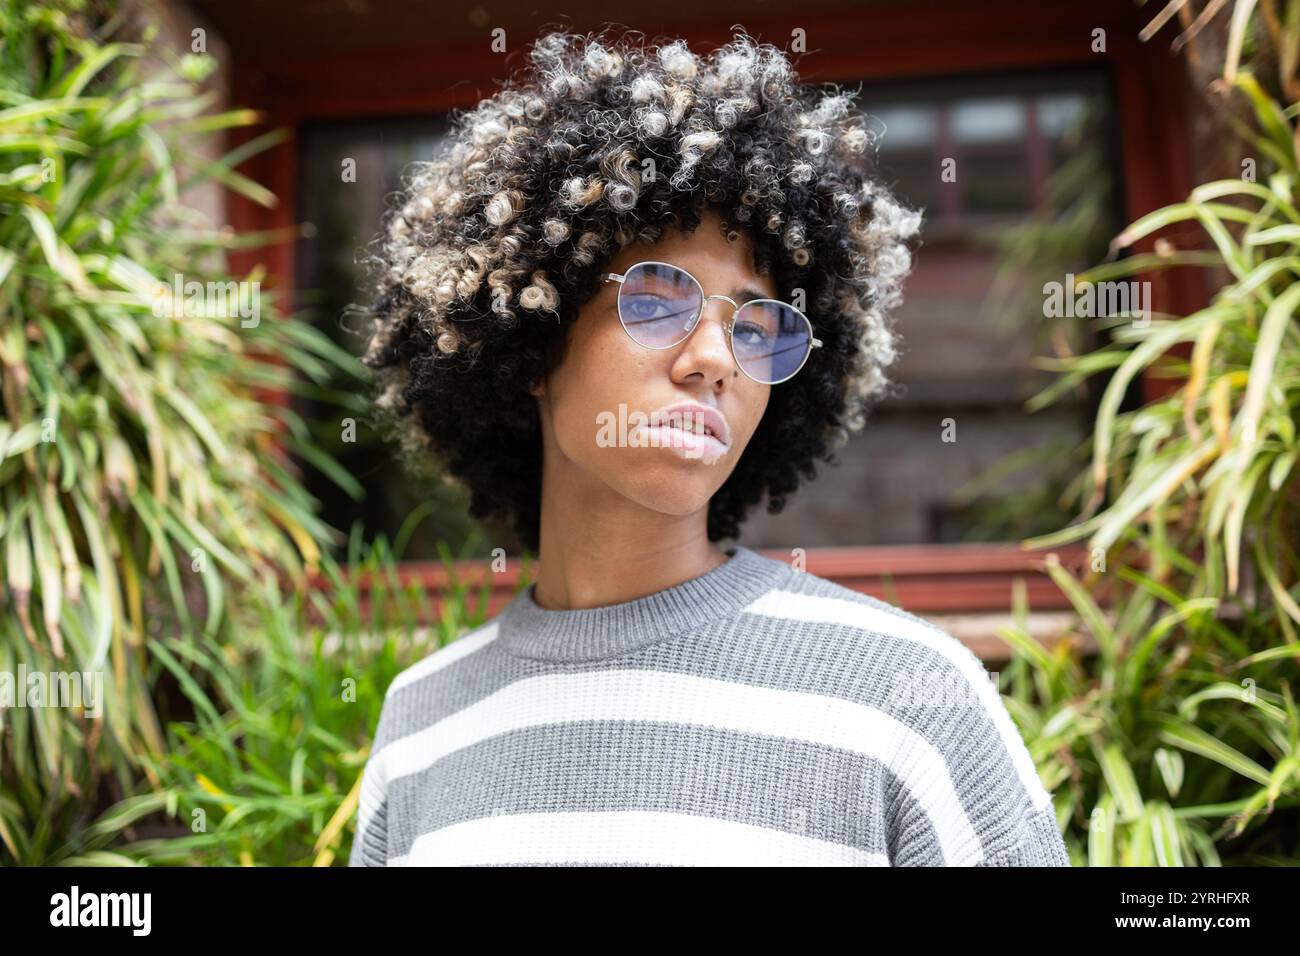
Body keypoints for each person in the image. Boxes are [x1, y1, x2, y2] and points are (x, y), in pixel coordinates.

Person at [350, 27, 1070, 866]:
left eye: (758, 323)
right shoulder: (420, 722)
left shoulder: (911, 697)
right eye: (657, 297)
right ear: (531, 340)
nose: (715, 359)